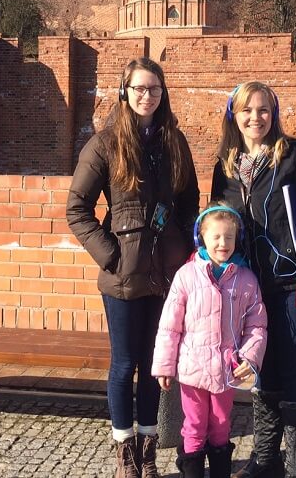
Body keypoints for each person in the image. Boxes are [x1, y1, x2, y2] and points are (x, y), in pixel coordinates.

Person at [67, 57, 200, 478]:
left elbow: (190, 199)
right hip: (123, 276)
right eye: (140, 88)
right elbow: (77, 209)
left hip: (166, 275)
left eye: (154, 89)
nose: (147, 96)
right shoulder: (105, 143)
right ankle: (125, 452)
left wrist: (182, 244)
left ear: (163, 93)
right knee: (125, 365)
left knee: (153, 364)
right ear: (124, 92)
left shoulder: (173, 141)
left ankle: (148, 453)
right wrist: (112, 256)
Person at [210, 81, 296, 478]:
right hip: (248, 286)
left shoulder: (293, 157)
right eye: (247, 110)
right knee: (261, 370)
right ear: (234, 115)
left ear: (273, 115)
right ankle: (267, 460)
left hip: (293, 283)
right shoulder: (224, 166)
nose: (255, 118)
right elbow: (216, 222)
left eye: (263, 110)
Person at [152, 204, 268, 478]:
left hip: (225, 372)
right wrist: (164, 366)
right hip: (192, 371)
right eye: (215, 237)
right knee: (193, 426)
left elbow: (257, 325)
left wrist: (250, 358)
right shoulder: (186, 276)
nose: (222, 243)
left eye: (229, 237)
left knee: (220, 425)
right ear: (201, 237)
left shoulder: (247, 280)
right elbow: (169, 326)